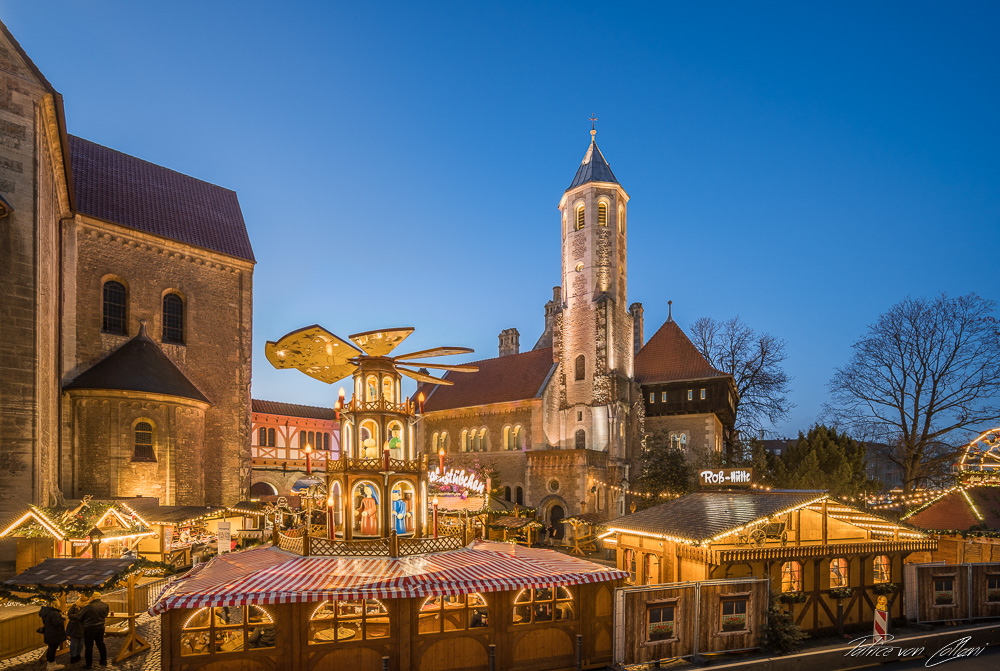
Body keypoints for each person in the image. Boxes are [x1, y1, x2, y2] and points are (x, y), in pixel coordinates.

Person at [79, 591, 110, 668]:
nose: (88, 599)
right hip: (100, 627)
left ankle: (88, 664)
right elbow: (105, 615)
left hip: (89, 628)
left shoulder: (88, 607)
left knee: (89, 646)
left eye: (89, 597)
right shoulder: (105, 605)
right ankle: (103, 660)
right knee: (100, 643)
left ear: (93, 597)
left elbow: (79, 618)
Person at [37, 599, 66, 671]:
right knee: (52, 649)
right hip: (54, 634)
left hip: (49, 632)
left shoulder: (47, 612)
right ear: (55, 604)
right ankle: (51, 665)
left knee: (51, 648)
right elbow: (57, 623)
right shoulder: (53, 613)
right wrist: (63, 617)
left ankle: (50, 664)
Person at [66, 594, 91, 664]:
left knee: (81, 643)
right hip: (75, 627)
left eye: (85, 596)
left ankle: (78, 655)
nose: (83, 597)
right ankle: (73, 657)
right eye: (82, 596)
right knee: (74, 643)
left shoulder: (89, 606)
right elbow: (69, 615)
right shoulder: (75, 605)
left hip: (84, 627)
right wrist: (79, 616)